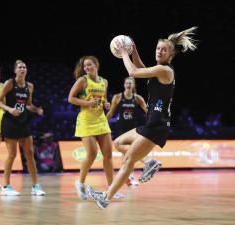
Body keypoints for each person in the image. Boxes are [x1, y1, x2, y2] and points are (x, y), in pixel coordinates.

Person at [88, 27, 198, 209]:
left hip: (157, 126)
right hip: (151, 123)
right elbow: (140, 66)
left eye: (164, 49)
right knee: (119, 143)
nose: (159, 51)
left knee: (128, 161)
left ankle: (106, 197)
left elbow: (133, 72)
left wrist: (123, 52)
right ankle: (149, 162)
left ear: (171, 55)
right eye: (157, 48)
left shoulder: (165, 71)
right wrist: (133, 48)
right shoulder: (157, 70)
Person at [68, 55, 124, 200]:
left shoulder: (104, 81)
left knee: (108, 155)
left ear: (96, 65)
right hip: (86, 120)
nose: (87, 68)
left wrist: (105, 104)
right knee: (92, 154)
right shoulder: (82, 80)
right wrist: (87, 103)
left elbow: (103, 99)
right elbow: (71, 98)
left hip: (100, 120)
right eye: (85, 66)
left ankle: (112, 188)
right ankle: (80, 183)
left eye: (89, 65)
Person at [0, 60, 46, 196]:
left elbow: (28, 105)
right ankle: (6, 186)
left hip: (23, 122)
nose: (22, 69)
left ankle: (35, 186)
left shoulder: (30, 86)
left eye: (24, 67)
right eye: (20, 67)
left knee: (29, 153)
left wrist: (36, 110)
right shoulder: (9, 83)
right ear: (15, 70)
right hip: (9, 122)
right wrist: (10, 109)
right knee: (12, 154)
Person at [106, 76, 162, 186]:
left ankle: (129, 177)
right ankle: (130, 177)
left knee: (131, 153)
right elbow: (111, 113)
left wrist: (155, 120)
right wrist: (102, 123)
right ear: (124, 84)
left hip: (133, 129)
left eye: (130, 83)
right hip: (121, 128)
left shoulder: (137, 98)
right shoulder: (118, 97)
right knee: (127, 153)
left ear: (133, 85)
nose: (128, 85)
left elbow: (147, 111)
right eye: (126, 83)